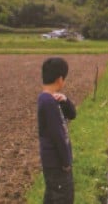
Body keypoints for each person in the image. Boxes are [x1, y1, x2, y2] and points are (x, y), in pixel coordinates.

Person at [37, 57, 76, 203]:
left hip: (54, 162)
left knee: (53, 197)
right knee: (62, 197)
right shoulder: (48, 103)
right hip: (56, 163)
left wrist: (65, 100)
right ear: (60, 79)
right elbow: (57, 135)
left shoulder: (52, 99)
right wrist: (66, 162)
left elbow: (72, 114)